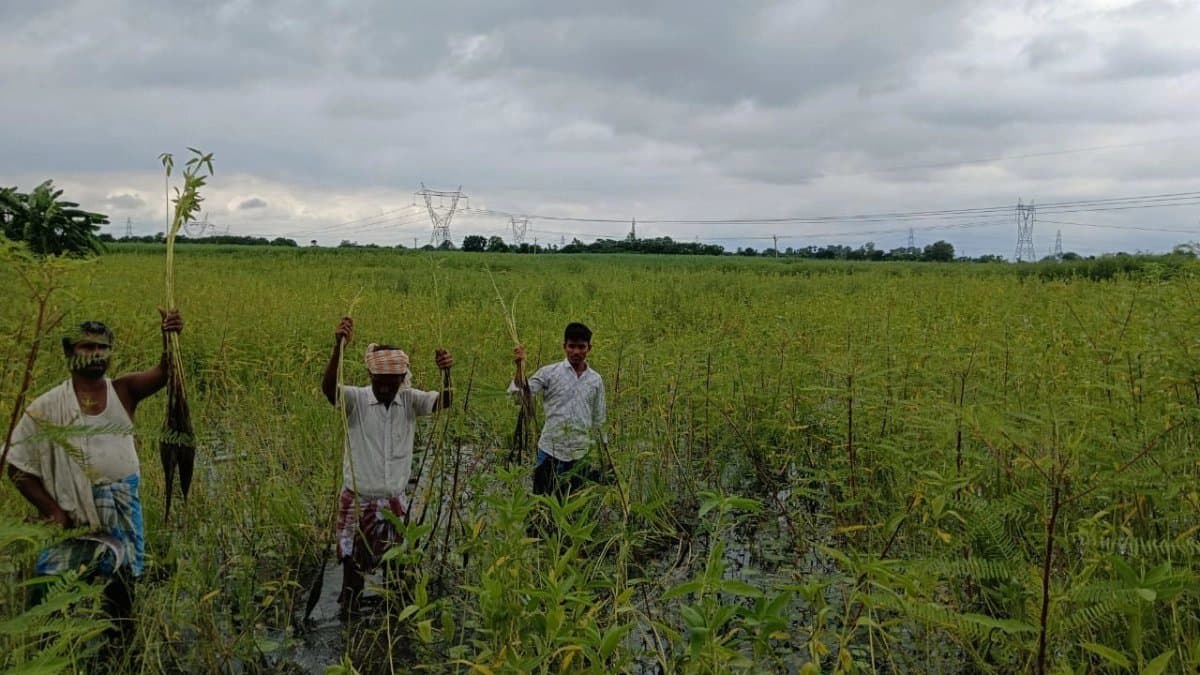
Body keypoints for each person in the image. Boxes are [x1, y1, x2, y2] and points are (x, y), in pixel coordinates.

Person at [4, 310, 183, 635]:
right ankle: (48, 650)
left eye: (102, 347)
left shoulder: (123, 391)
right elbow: (16, 466)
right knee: (50, 598)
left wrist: (169, 336)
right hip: (72, 516)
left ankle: (118, 650)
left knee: (122, 593)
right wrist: (53, 511)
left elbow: (166, 371)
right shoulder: (45, 408)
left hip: (122, 511)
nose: (97, 353)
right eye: (87, 347)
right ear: (69, 353)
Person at [321, 316, 452, 616]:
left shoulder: (408, 400)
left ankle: (392, 624)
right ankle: (350, 618)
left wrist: (447, 374)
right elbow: (330, 391)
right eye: (379, 383)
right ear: (370, 376)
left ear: (401, 379)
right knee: (352, 574)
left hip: (393, 501)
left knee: (397, 571)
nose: (385, 390)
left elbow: (445, 402)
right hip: (357, 499)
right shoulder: (356, 399)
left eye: (391, 384)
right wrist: (337, 349)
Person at [510, 322, 607, 497]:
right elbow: (520, 397)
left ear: (589, 348)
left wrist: (603, 453)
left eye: (581, 347)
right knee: (542, 502)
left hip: (580, 453)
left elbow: (599, 418)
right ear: (564, 347)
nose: (576, 352)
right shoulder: (549, 373)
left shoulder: (595, 380)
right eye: (571, 346)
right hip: (550, 450)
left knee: (573, 503)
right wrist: (519, 368)